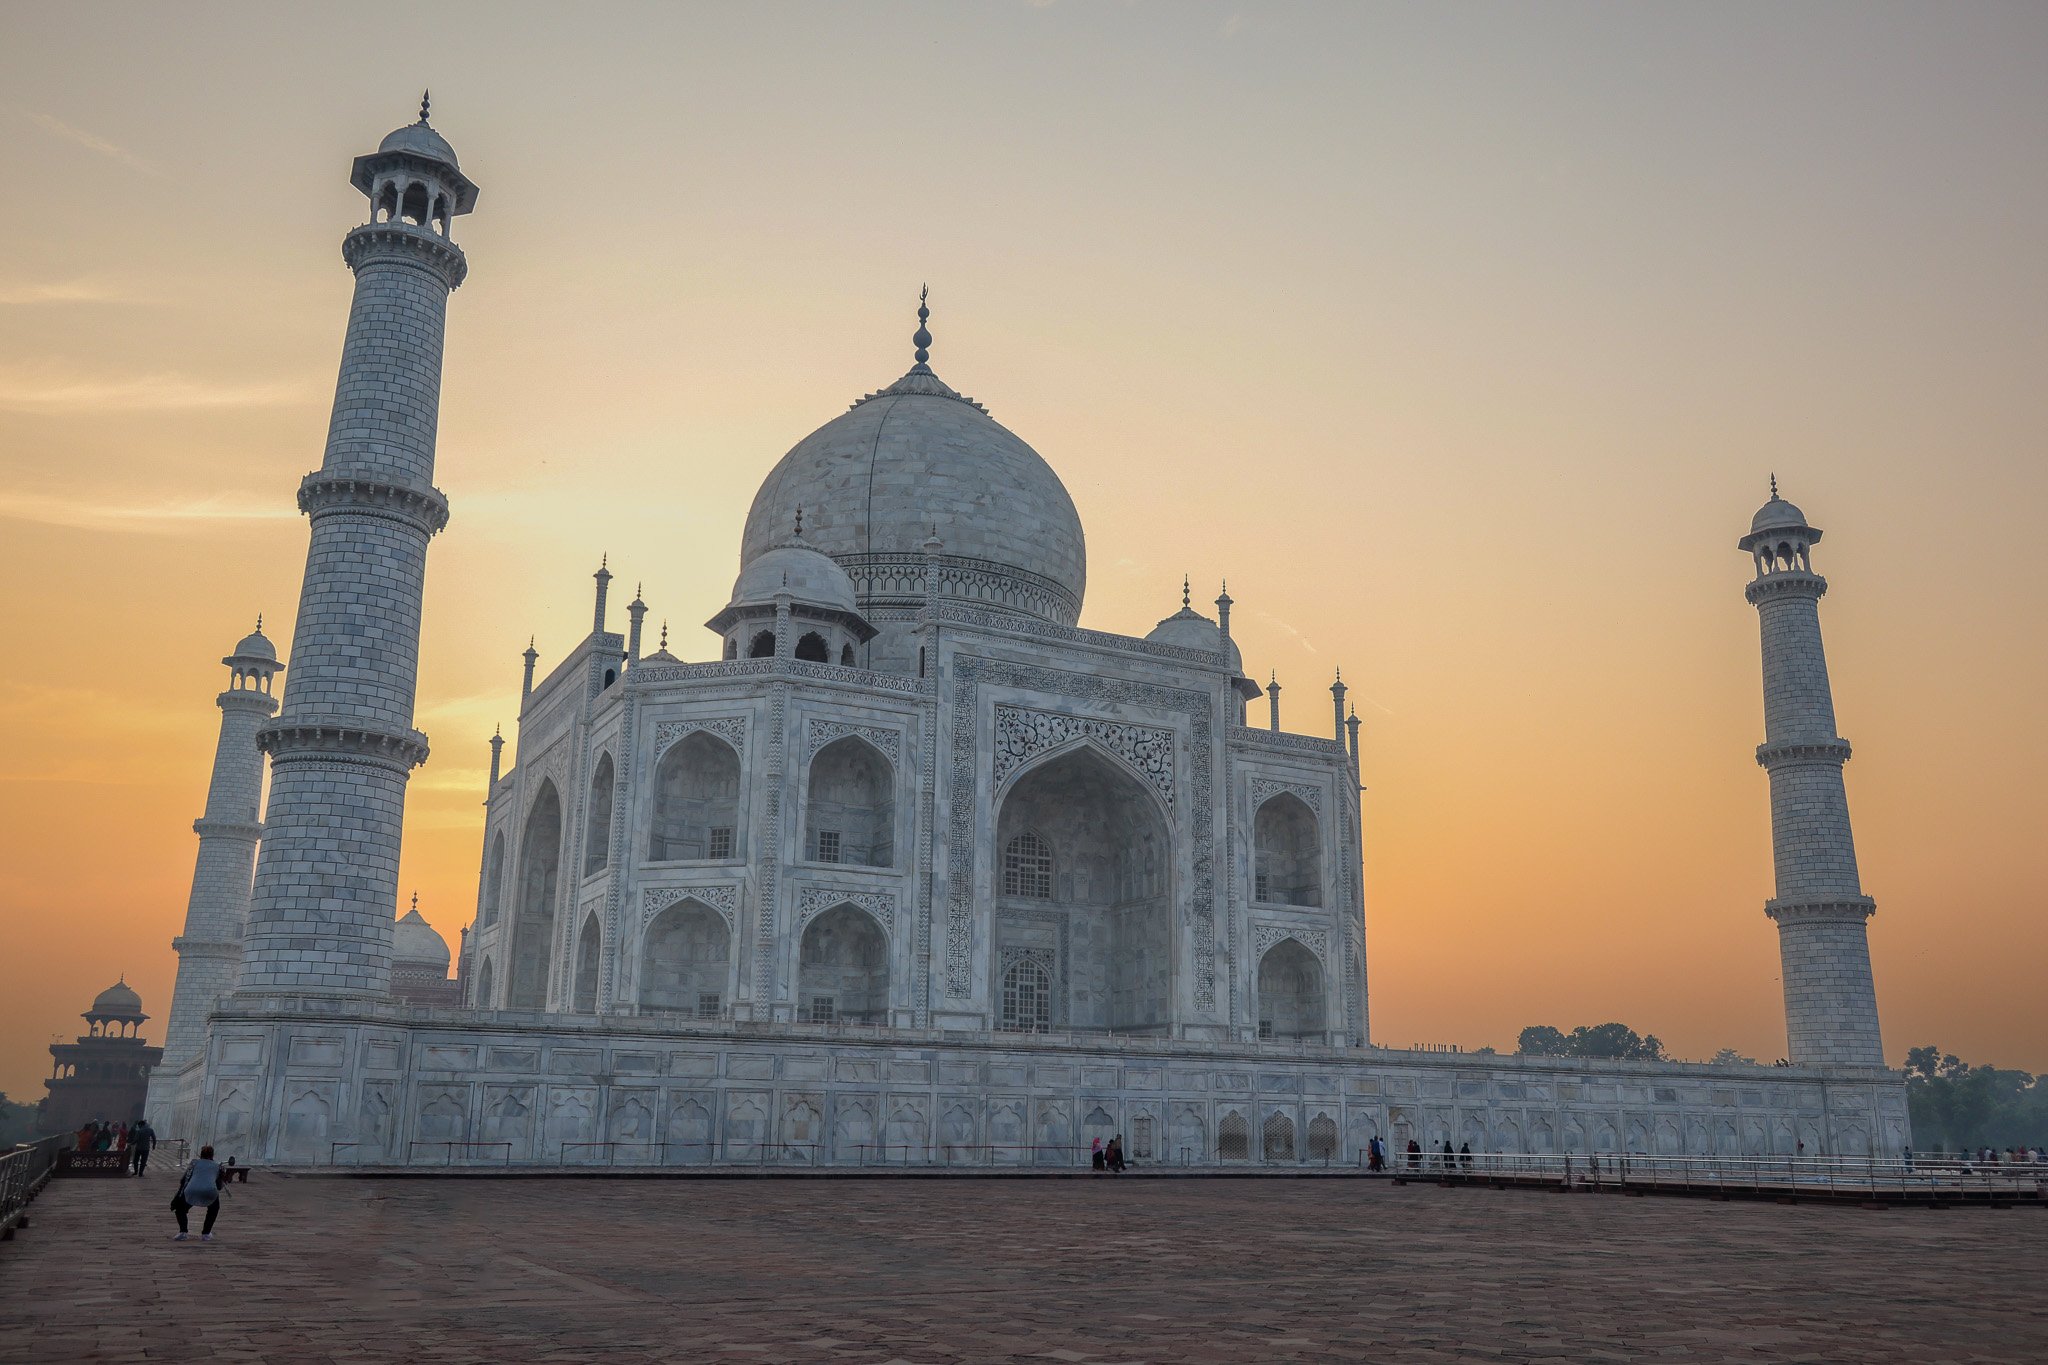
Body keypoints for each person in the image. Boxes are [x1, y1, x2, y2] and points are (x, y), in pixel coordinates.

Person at [171, 1145, 225, 1242]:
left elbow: (184, 1180)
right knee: (214, 1209)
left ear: (201, 1154)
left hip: (192, 1189)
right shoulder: (218, 1166)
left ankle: (183, 1232)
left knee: (180, 1209)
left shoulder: (194, 1163)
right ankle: (206, 1233)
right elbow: (219, 1186)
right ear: (212, 1155)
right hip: (210, 1191)